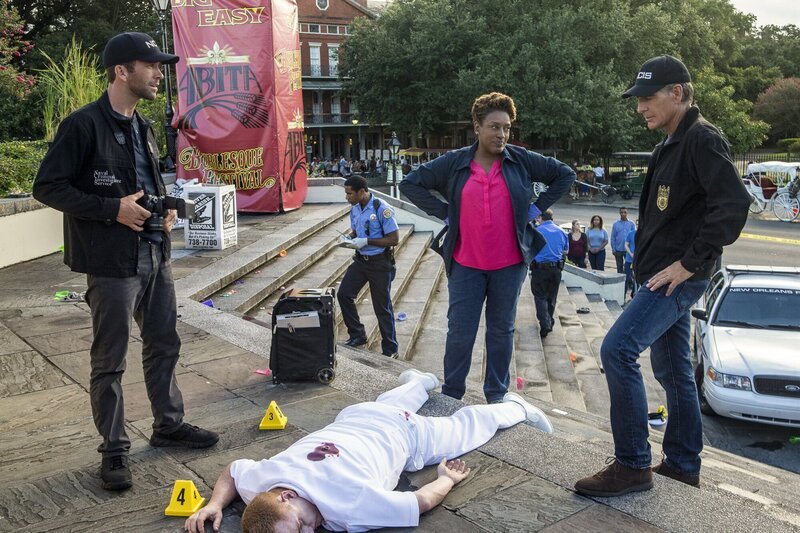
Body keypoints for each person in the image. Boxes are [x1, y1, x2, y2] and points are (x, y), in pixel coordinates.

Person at [31, 32, 218, 491]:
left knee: (164, 344)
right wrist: (112, 209)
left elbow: (144, 187)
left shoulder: (144, 127)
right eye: (150, 65)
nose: (159, 73)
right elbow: (48, 187)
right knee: (109, 360)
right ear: (122, 70)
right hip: (111, 263)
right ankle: (114, 449)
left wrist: (167, 206)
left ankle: (168, 424)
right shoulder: (82, 125)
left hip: (156, 253)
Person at [575, 54, 750, 497]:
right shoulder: (670, 142)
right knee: (672, 370)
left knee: (617, 351)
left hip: (674, 278)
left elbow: (732, 207)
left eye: (648, 98)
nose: (640, 108)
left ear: (677, 93)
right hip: (658, 273)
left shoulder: (701, 139)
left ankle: (633, 464)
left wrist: (690, 264)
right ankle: (683, 464)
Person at [183, 370, 553, 533]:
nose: (311, 532)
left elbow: (420, 504)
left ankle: (516, 407)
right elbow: (234, 471)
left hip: (407, 433)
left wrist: (446, 480)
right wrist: (214, 504)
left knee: (466, 427)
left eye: (299, 527)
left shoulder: (351, 507)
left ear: (287, 496)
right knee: (390, 401)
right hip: (357, 416)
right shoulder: (261, 486)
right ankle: (419, 381)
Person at [399, 92, 575, 404]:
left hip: (509, 265)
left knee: (501, 331)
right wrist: (444, 212)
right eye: (494, 127)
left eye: (507, 128)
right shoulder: (455, 162)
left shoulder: (519, 160)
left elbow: (564, 175)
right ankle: (452, 394)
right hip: (466, 263)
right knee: (460, 331)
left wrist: (536, 209)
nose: (502, 134)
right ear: (477, 126)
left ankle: (496, 394)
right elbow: (410, 183)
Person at [337, 175, 400, 357]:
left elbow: (394, 239)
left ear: (362, 192)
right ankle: (357, 334)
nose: (347, 197)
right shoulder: (355, 209)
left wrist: (366, 241)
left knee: (382, 307)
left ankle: (390, 349)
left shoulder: (382, 209)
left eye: (350, 194)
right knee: (344, 294)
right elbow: (357, 230)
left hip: (380, 263)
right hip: (361, 261)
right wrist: (349, 238)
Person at [529, 209, 568, 339]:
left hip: (539, 269)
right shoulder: (561, 231)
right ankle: (549, 320)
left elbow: (529, 248)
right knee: (552, 297)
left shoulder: (537, 231)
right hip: (555, 269)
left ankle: (544, 323)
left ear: (540, 217)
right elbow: (565, 251)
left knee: (540, 296)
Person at [610, 207, 635, 273]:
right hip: (618, 249)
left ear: (627, 213)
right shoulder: (615, 224)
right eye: (622, 212)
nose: (623, 214)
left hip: (628, 250)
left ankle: (628, 280)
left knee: (628, 267)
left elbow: (634, 236)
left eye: (625, 212)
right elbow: (613, 237)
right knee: (619, 267)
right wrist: (613, 248)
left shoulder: (631, 223)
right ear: (619, 213)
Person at [623, 219, 638, 298]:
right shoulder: (630, 234)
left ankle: (633, 294)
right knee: (626, 277)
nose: (638, 226)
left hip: (639, 261)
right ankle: (623, 295)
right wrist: (631, 253)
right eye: (637, 224)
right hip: (629, 260)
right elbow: (626, 245)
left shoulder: (644, 235)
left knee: (637, 279)